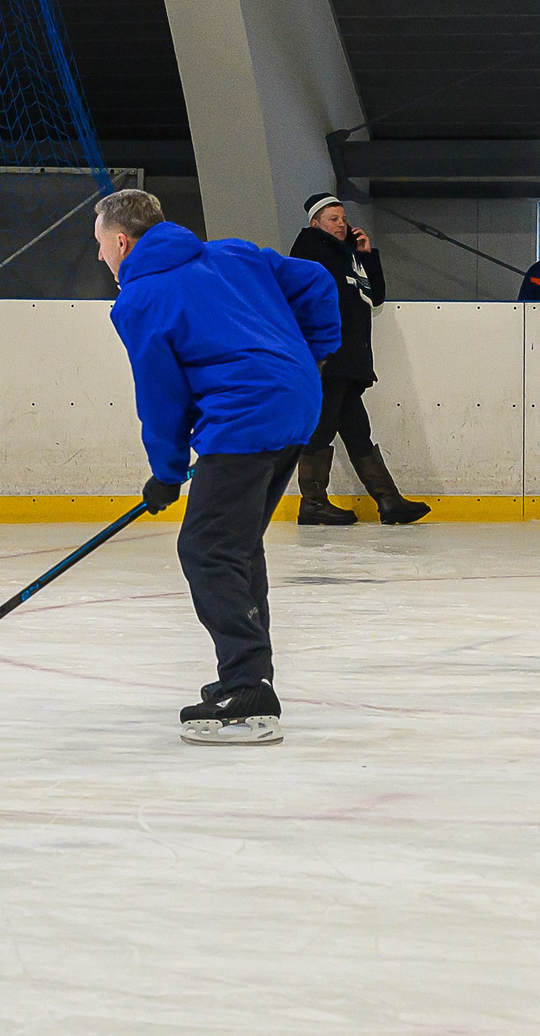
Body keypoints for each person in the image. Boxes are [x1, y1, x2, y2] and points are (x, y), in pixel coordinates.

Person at [96, 187, 340, 746]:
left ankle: (248, 688)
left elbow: (161, 394)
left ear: (122, 241)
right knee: (234, 545)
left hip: (246, 416)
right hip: (296, 403)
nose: (101, 258)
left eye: (101, 246)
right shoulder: (233, 253)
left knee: (205, 548)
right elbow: (317, 282)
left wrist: (166, 469)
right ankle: (250, 676)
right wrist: (314, 353)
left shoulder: (139, 300)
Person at [287, 193, 431, 526]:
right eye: (332, 219)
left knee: (356, 431)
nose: (341, 224)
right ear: (315, 224)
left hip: (348, 358)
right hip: (328, 358)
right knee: (322, 428)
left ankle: (388, 500)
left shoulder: (347, 256)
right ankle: (312, 502)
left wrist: (366, 255)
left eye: (343, 218)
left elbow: (374, 295)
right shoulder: (310, 248)